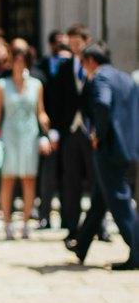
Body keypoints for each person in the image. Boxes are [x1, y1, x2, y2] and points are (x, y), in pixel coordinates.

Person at [72, 43, 139, 270]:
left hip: (110, 149)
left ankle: (137, 251)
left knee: (120, 201)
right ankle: (81, 244)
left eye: (83, 63)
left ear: (91, 61)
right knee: (101, 198)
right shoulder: (126, 78)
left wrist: (97, 134)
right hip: (129, 148)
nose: (83, 68)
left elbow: (102, 103)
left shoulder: (101, 79)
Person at [52, 24, 109, 247]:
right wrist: (57, 129)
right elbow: (57, 99)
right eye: (71, 44)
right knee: (70, 181)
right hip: (70, 130)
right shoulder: (65, 67)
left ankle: (100, 227)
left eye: (78, 44)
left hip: (91, 131)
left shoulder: (99, 67)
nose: (74, 48)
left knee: (97, 180)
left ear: (86, 41)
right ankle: (71, 226)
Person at [0, 40, 50, 240]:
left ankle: (25, 224)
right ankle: (7, 224)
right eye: (16, 60)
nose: (19, 63)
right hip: (9, 135)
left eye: (23, 60)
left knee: (29, 179)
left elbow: (40, 112)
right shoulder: (2, 85)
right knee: (7, 180)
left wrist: (47, 132)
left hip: (30, 135)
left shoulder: (36, 84)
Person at [37, 31, 70, 228]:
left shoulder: (74, 68)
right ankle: (44, 216)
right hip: (47, 128)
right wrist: (46, 133)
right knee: (47, 176)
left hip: (67, 130)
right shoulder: (42, 68)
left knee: (68, 176)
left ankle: (68, 217)